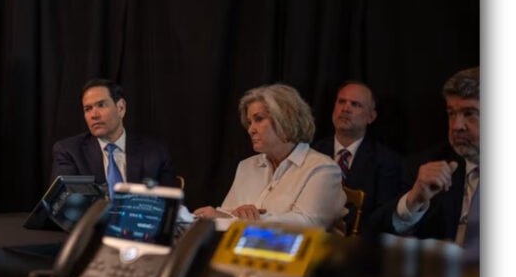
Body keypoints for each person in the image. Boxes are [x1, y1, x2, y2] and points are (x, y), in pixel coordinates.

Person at [194, 83, 344, 229]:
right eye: (249, 122)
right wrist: (215, 215)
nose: (250, 130)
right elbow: (230, 213)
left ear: (285, 118)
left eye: (259, 119)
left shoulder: (323, 169)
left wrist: (248, 220)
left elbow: (307, 223)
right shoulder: (246, 166)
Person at [369, 67, 480, 244]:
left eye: (469, 114)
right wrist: (414, 201)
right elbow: (376, 233)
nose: (456, 126)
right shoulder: (425, 167)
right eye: (451, 114)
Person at [51, 79, 176, 194]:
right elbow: (65, 203)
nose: (94, 115)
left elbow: (169, 202)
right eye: (88, 109)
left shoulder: (155, 151)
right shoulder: (69, 152)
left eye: (101, 105)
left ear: (121, 108)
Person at [312, 81, 404, 235]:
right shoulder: (313, 151)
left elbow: (382, 219)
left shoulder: (387, 162)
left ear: (371, 117)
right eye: (341, 101)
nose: (345, 109)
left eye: (355, 104)